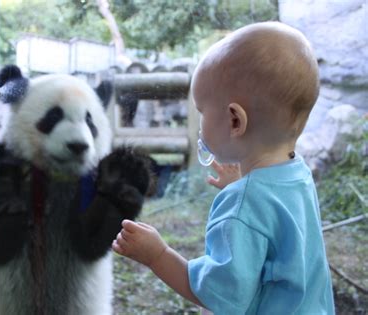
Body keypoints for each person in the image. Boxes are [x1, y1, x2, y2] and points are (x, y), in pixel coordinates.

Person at [112, 21, 335, 314]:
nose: (200, 120)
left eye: (202, 111)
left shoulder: (242, 204)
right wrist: (241, 184)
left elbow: (220, 296)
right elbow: (275, 229)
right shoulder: (298, 174)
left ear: (234, 121)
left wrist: (157, 254)